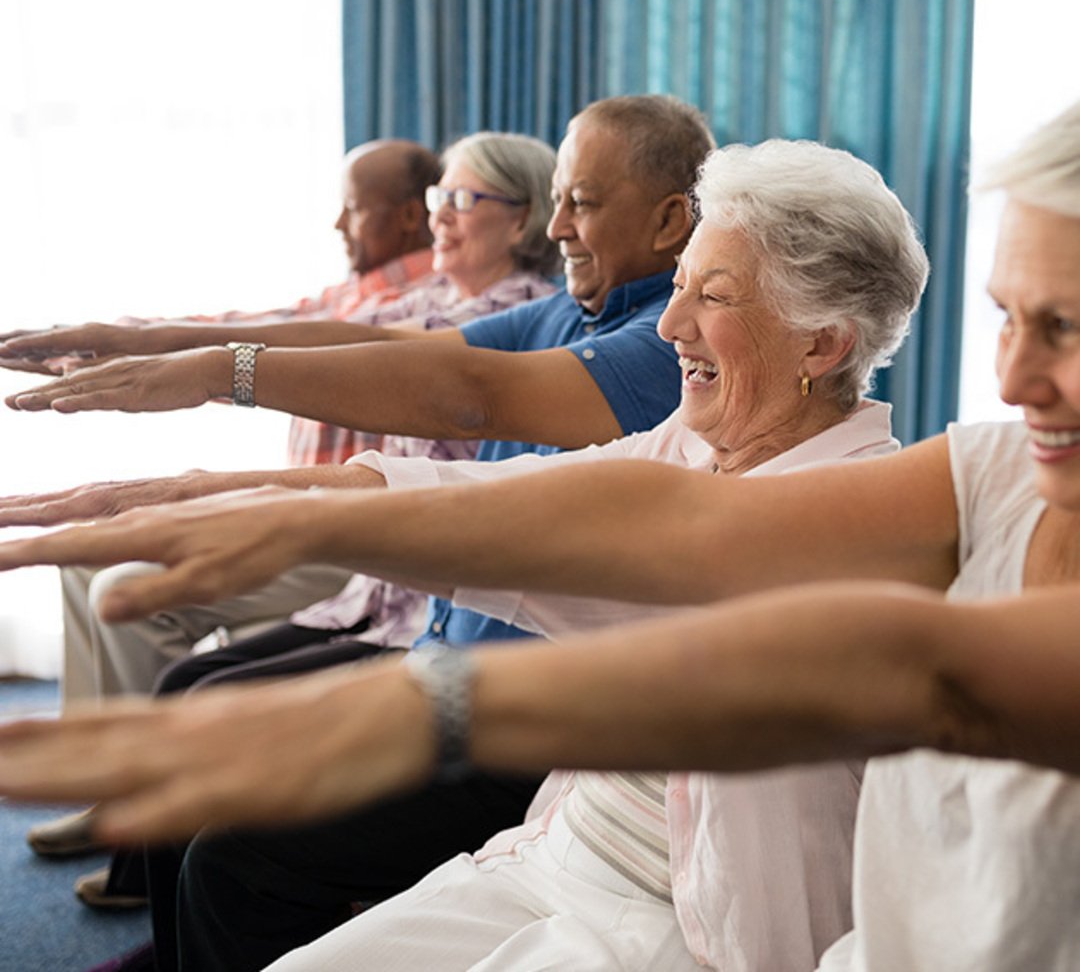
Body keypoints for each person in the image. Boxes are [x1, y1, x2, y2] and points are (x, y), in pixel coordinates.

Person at [3, 101, 1079, 971]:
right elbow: (491, 476)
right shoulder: (929, 462)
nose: (666, 325)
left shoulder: (865, 499)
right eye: (1006, 319)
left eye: (708, 296)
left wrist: (421, 699)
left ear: (823, 344)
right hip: (554, 848)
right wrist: (246, 487)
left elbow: (719, 565)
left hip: (687, 921)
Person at [0, 95, 712, 968]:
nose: (559, 225)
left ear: (673, 218)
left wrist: (214, 399)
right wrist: (150, 346)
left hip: (525, 711)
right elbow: (373, 341)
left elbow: (467, 396)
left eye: (584, 203)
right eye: (558, 198)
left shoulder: (659, 347)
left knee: (234, 843)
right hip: (442, 659)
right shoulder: (577, 314)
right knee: (213, 771)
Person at [28, 128, 559, 906]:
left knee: (198, 690)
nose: (442, 214)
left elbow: (365, 351)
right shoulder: (431, 296)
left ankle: (152, 868)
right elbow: (306, 331)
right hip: (369, 585)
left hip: (413, 592)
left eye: (462, 199)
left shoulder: (521, 313)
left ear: (523, 220)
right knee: (186, 673)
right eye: (438, 196)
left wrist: (191, 378)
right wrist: (134, 346)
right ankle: (143, 856)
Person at [0, 137, 442, 467]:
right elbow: (254, 324)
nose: (338, 223)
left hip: (347, 528)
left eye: (354, 208)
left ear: (409, 216)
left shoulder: (430, 305)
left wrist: (138, 346)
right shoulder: (352, 292)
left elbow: (285, 347)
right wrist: (120, 339)